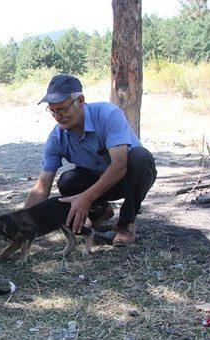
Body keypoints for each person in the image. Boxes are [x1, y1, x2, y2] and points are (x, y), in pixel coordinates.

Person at [25, 74, 157, 246]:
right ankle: (100, 213)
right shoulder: (56, 138)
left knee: (140, 157)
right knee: (67, 181)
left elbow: (119, 165)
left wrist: (85, 198)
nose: (58, 116)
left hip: (130, 178)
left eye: (63, 109)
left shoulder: (108, 114)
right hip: (99, 183)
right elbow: (42, 186)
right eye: (53, 111)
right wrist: (21, 222)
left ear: (80, 100)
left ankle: (126, 224)